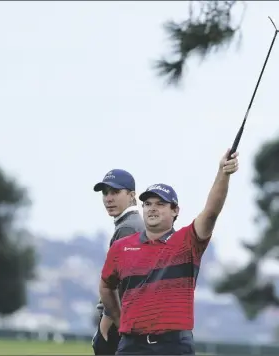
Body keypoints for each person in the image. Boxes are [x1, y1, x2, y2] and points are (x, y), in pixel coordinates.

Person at [99, 149, 239, 355]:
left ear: (175, 211)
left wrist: (223, 173)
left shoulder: (186, 242)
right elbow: (105, 286)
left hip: (173, 346)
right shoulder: (121, 247)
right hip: (131, 345)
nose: (152, 209)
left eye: (160, 204)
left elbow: (210, 213)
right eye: (147, 204)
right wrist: (120, 320)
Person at [91, 169, 145, 356]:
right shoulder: (129, 224)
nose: (108, 198)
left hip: (119, 320)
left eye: (115, 192)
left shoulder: (128, 227)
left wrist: (107, 319)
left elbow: (123, 281)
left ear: (131, 195)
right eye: (105, 193)